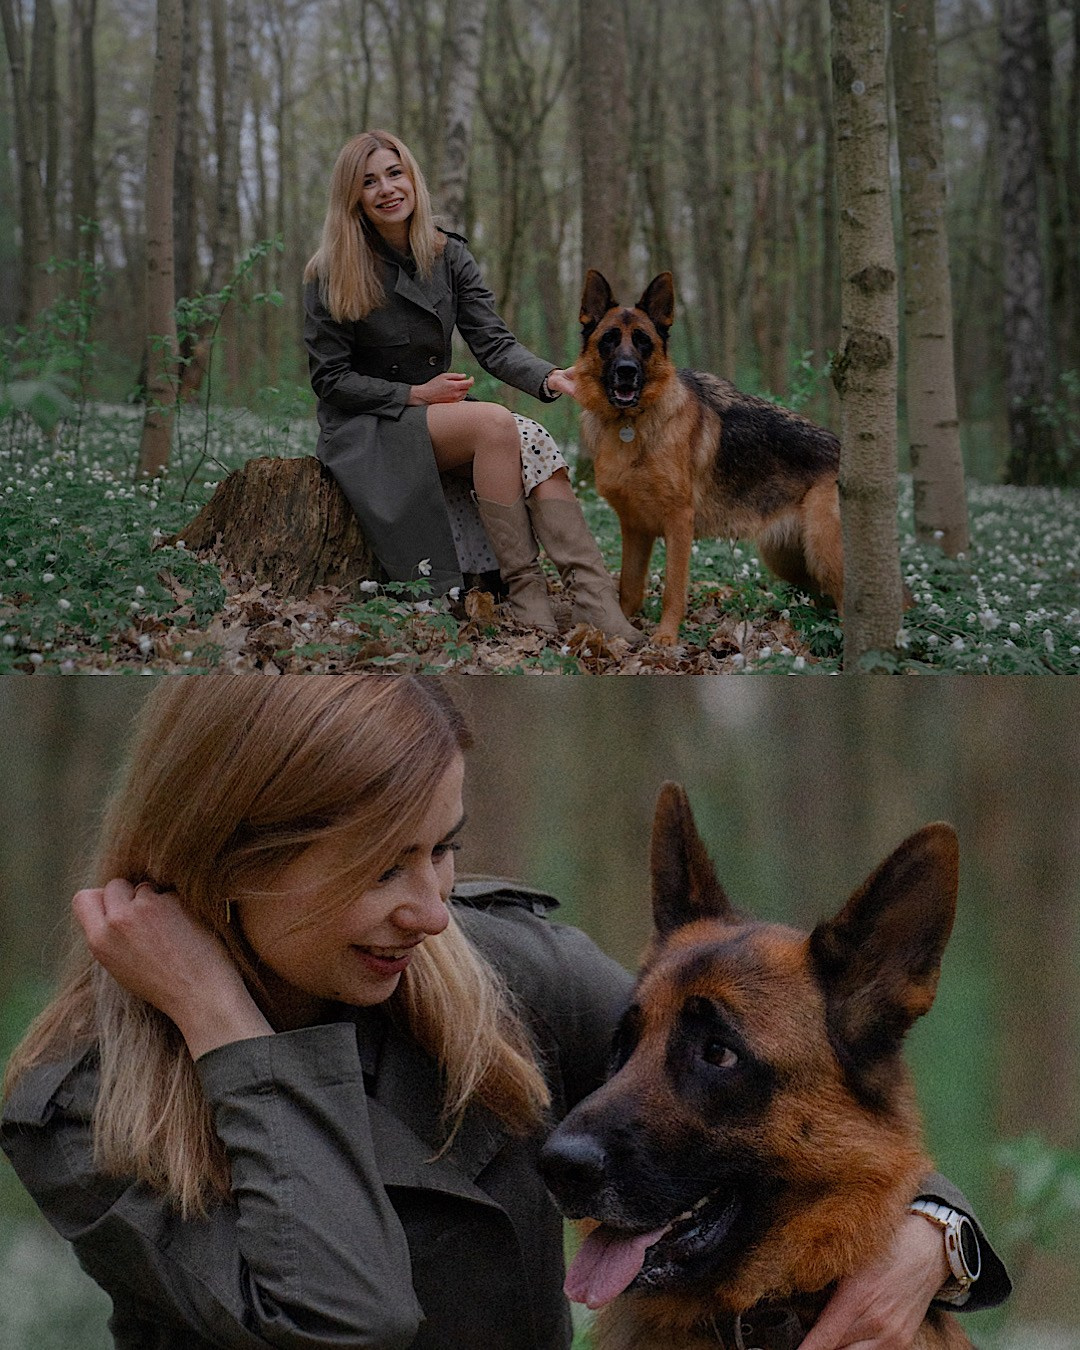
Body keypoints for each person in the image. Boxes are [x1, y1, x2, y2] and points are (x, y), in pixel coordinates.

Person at [2, 678, 1009, 1350]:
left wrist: (933, 1235)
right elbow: (346, 1322)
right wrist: (228, 1030)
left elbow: (815, 1097)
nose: (433, 907)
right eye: (381, 866)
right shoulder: (89, 1110)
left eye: (444, 848)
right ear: (227, 855)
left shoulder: (497, 972)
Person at [303, 130, 640, 644]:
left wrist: (549, 375)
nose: (386, 189)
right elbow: (329, 379)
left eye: (395, 173)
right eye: (369, 182)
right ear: (352, 196)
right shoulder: (330, 270)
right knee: (494, 422)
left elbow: (494, 342)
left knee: (534, 441)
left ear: (412, 177)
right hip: (368, 425)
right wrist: (413, 395)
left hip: (435, 414)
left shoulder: (447, 255)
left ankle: (595, 598)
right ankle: (526, 593)